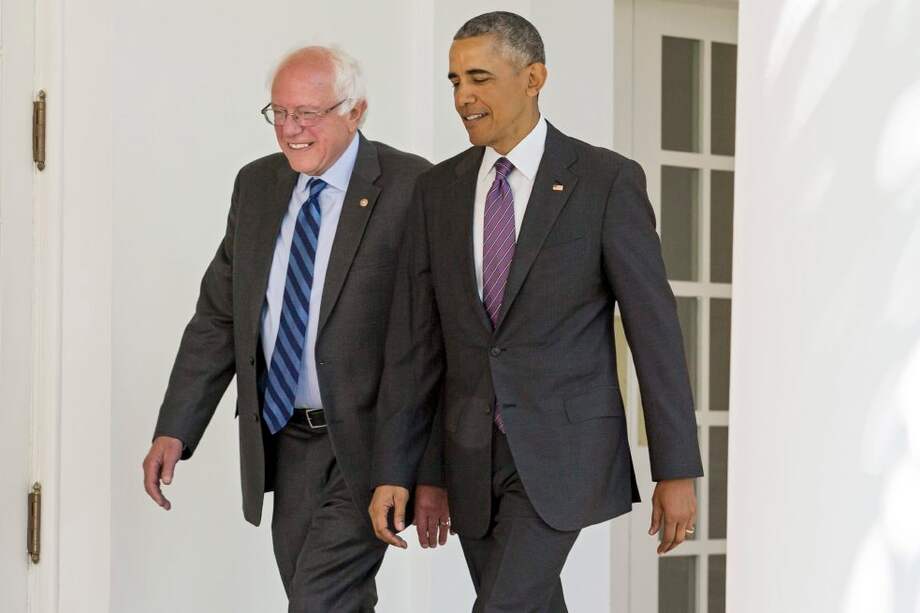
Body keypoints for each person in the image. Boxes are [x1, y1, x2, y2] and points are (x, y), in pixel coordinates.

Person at [369, 12, 703, 612]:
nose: (463, 97)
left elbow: (654, 332)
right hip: (470, 457)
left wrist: (675, 469)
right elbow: (417, 345)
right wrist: (413, 469)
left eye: (479, 78)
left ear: (533, 78)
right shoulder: (436, 192)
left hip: (563, 454)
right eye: (453, 82)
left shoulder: (604, 181)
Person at [142, 45, 447, 612]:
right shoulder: (256, 186)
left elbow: (435, 342)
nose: (290, 129)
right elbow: (218, 315)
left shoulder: (412, 187)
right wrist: (176, 429)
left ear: (355, 112)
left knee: (318, 602)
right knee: (321, 600)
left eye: (307, 113)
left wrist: (429, 470)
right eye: (279, 113)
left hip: (372, 446)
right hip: (286, 439)